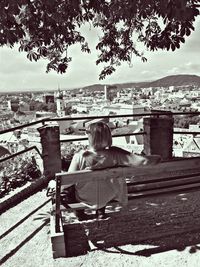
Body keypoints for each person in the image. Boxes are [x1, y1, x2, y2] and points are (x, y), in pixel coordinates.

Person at [48, 121, 161, 220]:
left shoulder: (80, 156)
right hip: (108, 195)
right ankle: (101, 212)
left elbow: (67, 181)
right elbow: (142, 161)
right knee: (103, 183)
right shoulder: (116, 153)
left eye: (87, 133)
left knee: (68, 188)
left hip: (86, 198)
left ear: (91, 137)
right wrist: (158, 157)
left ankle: (80, 213)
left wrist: (54, 184)